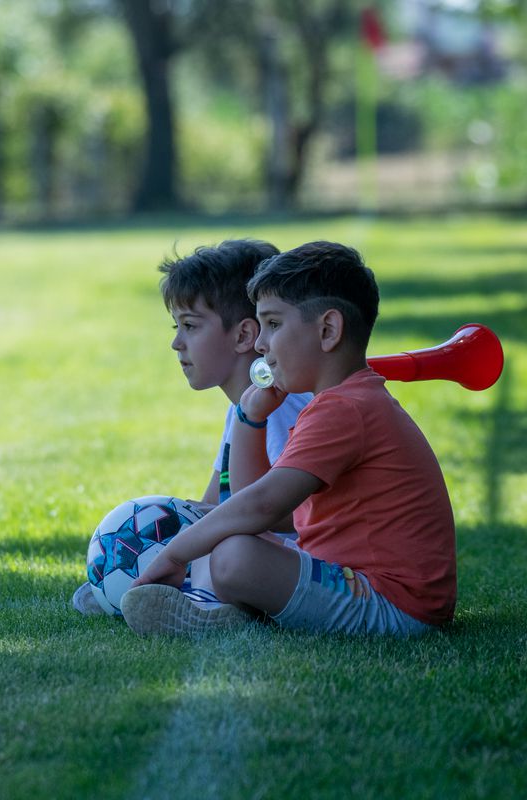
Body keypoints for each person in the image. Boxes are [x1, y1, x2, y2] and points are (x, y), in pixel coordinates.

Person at [121, 241, 456, 637]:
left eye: (274, 325)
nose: (262, 344)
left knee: (234, 556)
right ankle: (199, 597)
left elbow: (261, 506)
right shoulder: (334, 404)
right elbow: (252, 496)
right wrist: (249, 416)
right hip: (370, 588)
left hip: (392, 604)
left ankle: (208, 602)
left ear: (328, 330)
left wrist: (175, 555)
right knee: (232, 548)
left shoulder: (343, 410)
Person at [72, 239, 312, 615]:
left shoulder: (284, 407)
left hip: (313, 561)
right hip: (269, 552)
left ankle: (204, 604)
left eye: (190, 326)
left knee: (225, 544)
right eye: (176, 326)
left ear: (244, 336)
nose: (176, 343)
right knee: (204, 530)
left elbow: (296, 510)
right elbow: (213, 504)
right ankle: (133, 583)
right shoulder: (243, 409)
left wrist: (202, 527)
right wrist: (156, 534)